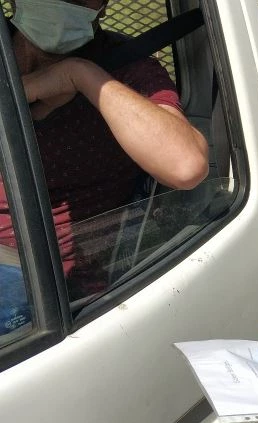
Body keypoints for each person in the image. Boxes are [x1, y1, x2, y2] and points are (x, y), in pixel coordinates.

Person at [0, 0, 209, 329]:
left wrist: (82, 77)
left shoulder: (128, 69)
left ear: (104, 5)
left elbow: (186, 165)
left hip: (42, 280)